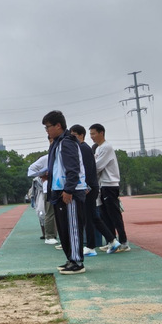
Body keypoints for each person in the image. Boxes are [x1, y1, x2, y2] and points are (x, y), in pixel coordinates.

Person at [42, 110, 87, 275]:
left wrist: (69, 189)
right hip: (59, 190)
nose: (46, 130)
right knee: (64, 228)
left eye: (48, 127)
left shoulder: (67, 142)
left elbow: (73, 168)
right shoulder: (57, 143)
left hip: (70, 192)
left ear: (58, 125)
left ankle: (77, 262)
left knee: (73, 227)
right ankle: (70, 259)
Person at [69, 125, 119, 256]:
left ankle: (92, 246)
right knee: (92, 216)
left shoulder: (83, 148)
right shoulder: (83, 148)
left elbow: (88, 169)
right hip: (89, 186)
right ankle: (111, 241)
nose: (72, 138)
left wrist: (86, 186)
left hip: (89, 187)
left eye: (74, 135)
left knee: (89, 217)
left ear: (81, 135)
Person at [89, 123, 129, 253]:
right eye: (90, 134)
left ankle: (124, 242)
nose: (92, 136)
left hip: (109, 185)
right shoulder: (99, 148)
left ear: (101, 133)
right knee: (105, 215)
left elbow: (98, 166)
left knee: (114, 215)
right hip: (103, 185)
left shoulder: (106, 147)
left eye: (93, 133)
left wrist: (87, 171)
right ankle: (112, 242)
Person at [27, 148, 58, 245]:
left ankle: (57, 235)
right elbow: (31, 170)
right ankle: (49, 236)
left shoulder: (63, 156)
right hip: (48, 189)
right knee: (49, 213)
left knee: (60, 214)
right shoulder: (46, 158)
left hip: (61, 188)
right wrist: (42, 174)